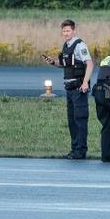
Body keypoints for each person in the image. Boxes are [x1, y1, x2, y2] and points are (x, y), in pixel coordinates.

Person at [43, 19, 94, 160]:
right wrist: (53, 62)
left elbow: (89, 64)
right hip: (69, 89)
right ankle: (74, 149)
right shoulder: (66, 46)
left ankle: (81, 151)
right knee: (72, 121)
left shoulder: (80, 45)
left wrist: (85, 83)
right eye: (64, 31)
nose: (66, 33)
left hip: (79, 88)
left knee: (80, 119)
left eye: (68, 30)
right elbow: (66, 64)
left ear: (74, 30)